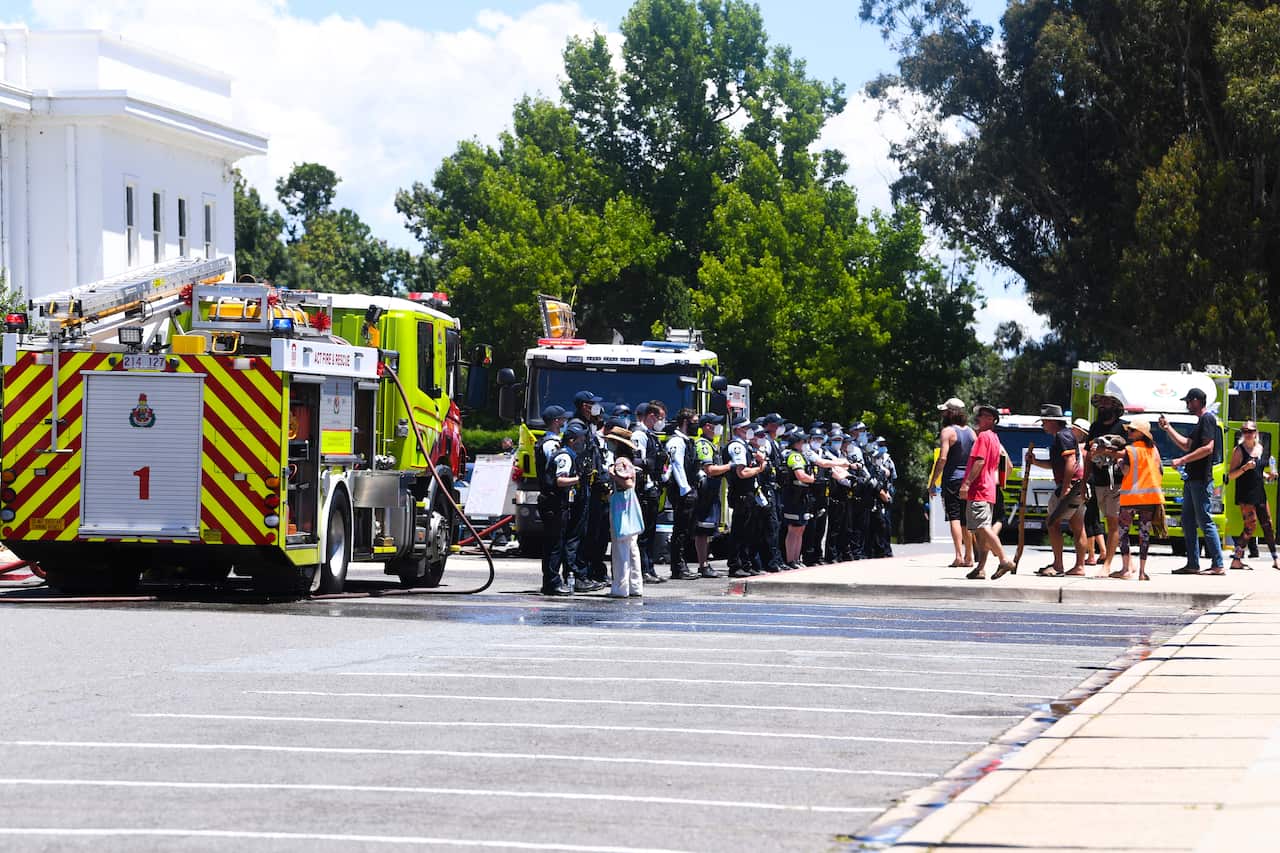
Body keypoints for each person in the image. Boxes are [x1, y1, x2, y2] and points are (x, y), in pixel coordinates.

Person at [1159, 388, 1224, 575]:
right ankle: (1193, 564)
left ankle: (1218, 564)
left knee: (1205, 520)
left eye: (1188, 401)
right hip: (1191, 479)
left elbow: (1208, 448)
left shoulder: (1208, 419)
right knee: (1187, 521)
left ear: (1197, 401)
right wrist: (1168, 428)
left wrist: (1182, 460)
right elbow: (1187, 445)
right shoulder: (1199, 423)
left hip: (1201, 479)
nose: (1187, 404)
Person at [957, 403, 1017, 579]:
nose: (979, 418)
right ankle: (980, 568)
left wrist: (966, 484)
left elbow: (980, 461)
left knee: (981, 527)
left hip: (979, 488)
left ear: (991, 419)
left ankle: (1004, 559)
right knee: (981, 530)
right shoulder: (995, 438)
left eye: (983, 415)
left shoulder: (983, 437)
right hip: (989, 488)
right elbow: (1007, 464)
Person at [1030, 404, 1087, 577]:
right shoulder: (1064, 436)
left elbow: (1070, 462)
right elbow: (1056, 464)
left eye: (1044, 422)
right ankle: (1079, 566)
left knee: (1052, 523)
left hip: (1071, 486)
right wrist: (1035, 461)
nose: (1043, 425)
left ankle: (1058, 565)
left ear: (1052, 421)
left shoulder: (1063, 436)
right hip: (1078, 487)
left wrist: (1065, 487)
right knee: (1077, 526)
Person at [1109, 418, 1163, 581]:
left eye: (1132, 430)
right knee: (1144, 534)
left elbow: (1125, 471)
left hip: (1130, 498)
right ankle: (1142, 572)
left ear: (1141, 433)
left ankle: (1126, 569)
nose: (1129, 432)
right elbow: (1160, 471)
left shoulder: (1130, 450)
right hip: (1150, 498)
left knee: (1124, 533)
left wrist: (1118, 462)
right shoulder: (1154, 450)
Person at [928, 398, 976, 569]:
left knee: (954, 517)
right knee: (966, 520)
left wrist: (933, 481)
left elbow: (942, 458)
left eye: (944, 412)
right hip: (968, 481)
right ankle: (969, 556)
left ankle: (958, 556)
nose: (942, 415)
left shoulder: (947, 432)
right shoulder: (971, 432)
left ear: (950, 413)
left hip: (952, 480)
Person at [1226, 420, 1278, 571]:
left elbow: (1258, 471)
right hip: (1246, 493)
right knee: (1250, 526)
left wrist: (1268, 475)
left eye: (1250, 431)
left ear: (1256, 433)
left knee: (1268, 524)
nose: (1247, 434)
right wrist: (1245, 467)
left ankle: (1275, 559)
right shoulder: (1239, 450)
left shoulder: (1260, 448)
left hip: (1259, 492)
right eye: (1245, 432)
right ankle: (1236, 559)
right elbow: (1231, 475)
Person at [1085, 395, 1128, 571]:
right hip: (1098, 481)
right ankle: (1129, 563)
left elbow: (1128, 453)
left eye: (1107, 403)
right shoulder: (1094, 427)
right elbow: (1089, 454)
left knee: (1113, 523)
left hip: (1118, 482)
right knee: (1110, 523)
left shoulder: (1124, 427)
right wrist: (1083, 481)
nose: (1102, 406)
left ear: (1115, 406)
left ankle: (1107, 565)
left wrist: (1108, 452)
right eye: (1101, 403)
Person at [725, 415, 769, 578]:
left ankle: (745, 563)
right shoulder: (737, 446)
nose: (750, 431)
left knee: (747, 532)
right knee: (739, 532)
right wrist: (760, 468)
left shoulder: (745, 446)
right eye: (746, 428)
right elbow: (742, 473)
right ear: (738, 430)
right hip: (741, 493)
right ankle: (735, 565)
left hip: (749, 493)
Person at [536, 406, 573, 595]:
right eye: (563, 419)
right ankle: (552, 582)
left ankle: (551, 581)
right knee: (554, 544)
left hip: (552, 498)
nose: (565, 422)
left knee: (555, 542)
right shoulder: (551, 445)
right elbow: (556, 471)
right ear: (557, 421)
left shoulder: (550, 442)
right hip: (552, 498)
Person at [630, 402, 668, 585]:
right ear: (651, 416)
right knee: (644, 534)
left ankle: (649, 568)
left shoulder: (650, 435)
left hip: (653, 487)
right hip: (645, 489)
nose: (662, 422)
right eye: (660, 418)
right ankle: (644, 569)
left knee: (650, 532)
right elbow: (639, 461)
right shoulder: (639, 434)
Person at [605, 435, 645, 598]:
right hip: (630, 502)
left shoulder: (620, 461)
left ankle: (620, 587)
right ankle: (635, 585)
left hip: (622, 504)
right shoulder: (628, 460)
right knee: (632, 547)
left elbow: (627, 483)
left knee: (620, 546)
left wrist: (612, 474)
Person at [664, 408, 701, 579]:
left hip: (688, 488)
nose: (697, 425)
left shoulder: (687, 441)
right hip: (681, 491)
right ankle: (678, 567)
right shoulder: (676, 442)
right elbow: (677, 466)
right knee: (680, 530)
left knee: (686, 530)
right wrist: (685, 489)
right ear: (686, 422)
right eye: (694, 421)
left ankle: (682, 564)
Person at [692, 413, 729, 577]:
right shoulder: (703, 445)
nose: (719, 428)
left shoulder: (711, 444)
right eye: (716, 424)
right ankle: (703, 564)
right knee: (702, 530)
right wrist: (731, 466)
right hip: (705, 491)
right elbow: (710, 469)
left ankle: (705, 563)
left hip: (713, 490)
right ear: (707, 426)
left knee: (708, 530)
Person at [1071, 418, 1106, 568]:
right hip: (1094, 481)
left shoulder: (1081, 448)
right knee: (1094, 517)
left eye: (1075, 429)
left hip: (1086, 481)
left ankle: (1091, 555)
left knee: (1088, 519)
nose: (1072, 432)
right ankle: (1102, 551)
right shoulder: (1089, 447)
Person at [780, 429, 816, 568]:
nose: (806, 443)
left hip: (802, 496)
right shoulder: (794, 456)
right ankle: (791, 560)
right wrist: (812, 479)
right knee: (793, 529)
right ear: (797, 443)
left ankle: (796, 558)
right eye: (804, 441)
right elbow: (800, 475)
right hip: (793, 496)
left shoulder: (802, 455)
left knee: (801, 528)